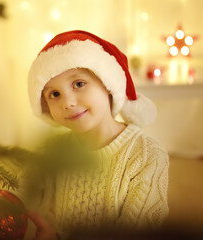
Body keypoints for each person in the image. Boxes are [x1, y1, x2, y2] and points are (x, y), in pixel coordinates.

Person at [24, 30, 169, 239]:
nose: (68, 103)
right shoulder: (51, 152)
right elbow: (28, 208)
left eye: (79, 84)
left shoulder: (147, 155)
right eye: (54, 94)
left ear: (108, 85)